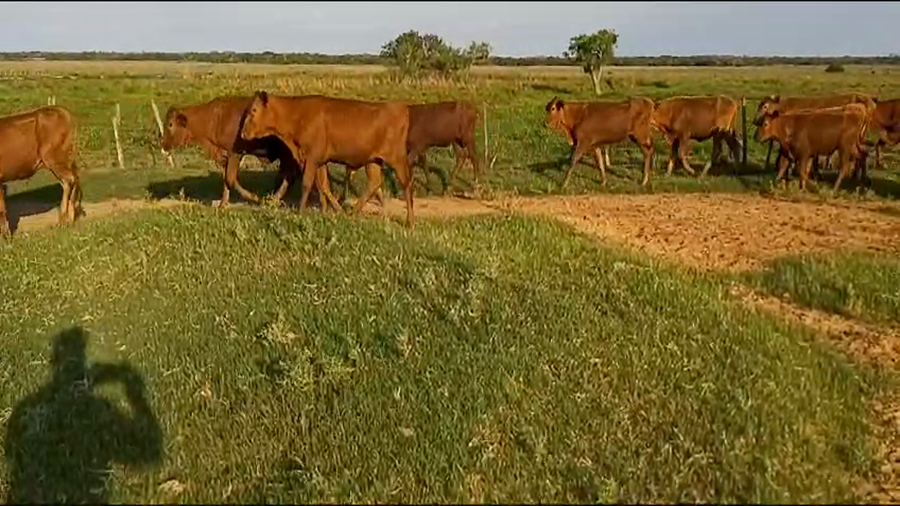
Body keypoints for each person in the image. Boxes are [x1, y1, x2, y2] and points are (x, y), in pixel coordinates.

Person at [3, 327, 163, 504]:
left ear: (53, 364)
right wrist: (135, 394)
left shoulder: (26, 410)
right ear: (85, 372)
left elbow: (10, 454)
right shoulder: (96, 413)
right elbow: (150, 450)